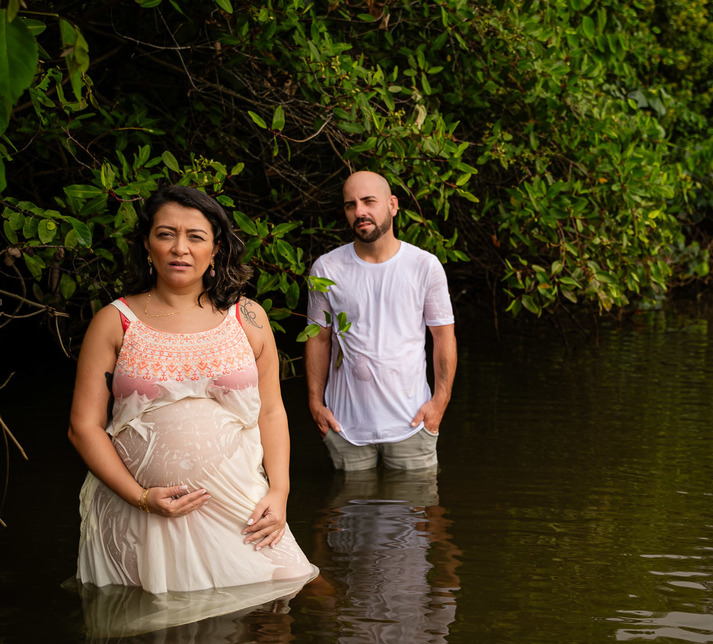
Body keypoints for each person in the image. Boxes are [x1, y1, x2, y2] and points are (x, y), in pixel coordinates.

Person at [68, 185, 318, 597]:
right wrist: (142, 497)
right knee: (152, 639)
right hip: (140, 513)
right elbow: (83, 426)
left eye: (195, 236)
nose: (179, 248)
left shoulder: (248, 316)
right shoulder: (114, 321)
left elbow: (271, 412)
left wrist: (280, 490)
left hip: (242, 508)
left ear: (216, 248)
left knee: (280, 604)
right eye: (165, 234)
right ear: (147, 245)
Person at [304, 170, 457, 471]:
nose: (359, 211)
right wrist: (315, 403)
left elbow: (443, 337)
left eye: (368, 201)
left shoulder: (424, 266)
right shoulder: (326, 269)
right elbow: (318, 338)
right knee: (349, 511)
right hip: (345, 428)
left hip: (413, 424)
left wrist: (439, 403)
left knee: (420, 510)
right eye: (351, 205)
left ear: (392, 205)